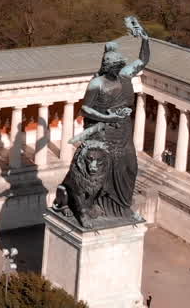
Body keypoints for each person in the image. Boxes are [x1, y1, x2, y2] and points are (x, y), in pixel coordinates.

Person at [59, 18, 150, 226]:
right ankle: (93, 207)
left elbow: (143, 60)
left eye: (120, 66)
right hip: (102, 133)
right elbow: (85, 109)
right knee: (101, 173)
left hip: (123, 131)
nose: (120, 69)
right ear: (107, 67)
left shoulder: (125, 75)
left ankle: (123, 208)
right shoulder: (96, 84)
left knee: (129, 168)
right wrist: (108, 117)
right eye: (115, 67)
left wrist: (145, 40)